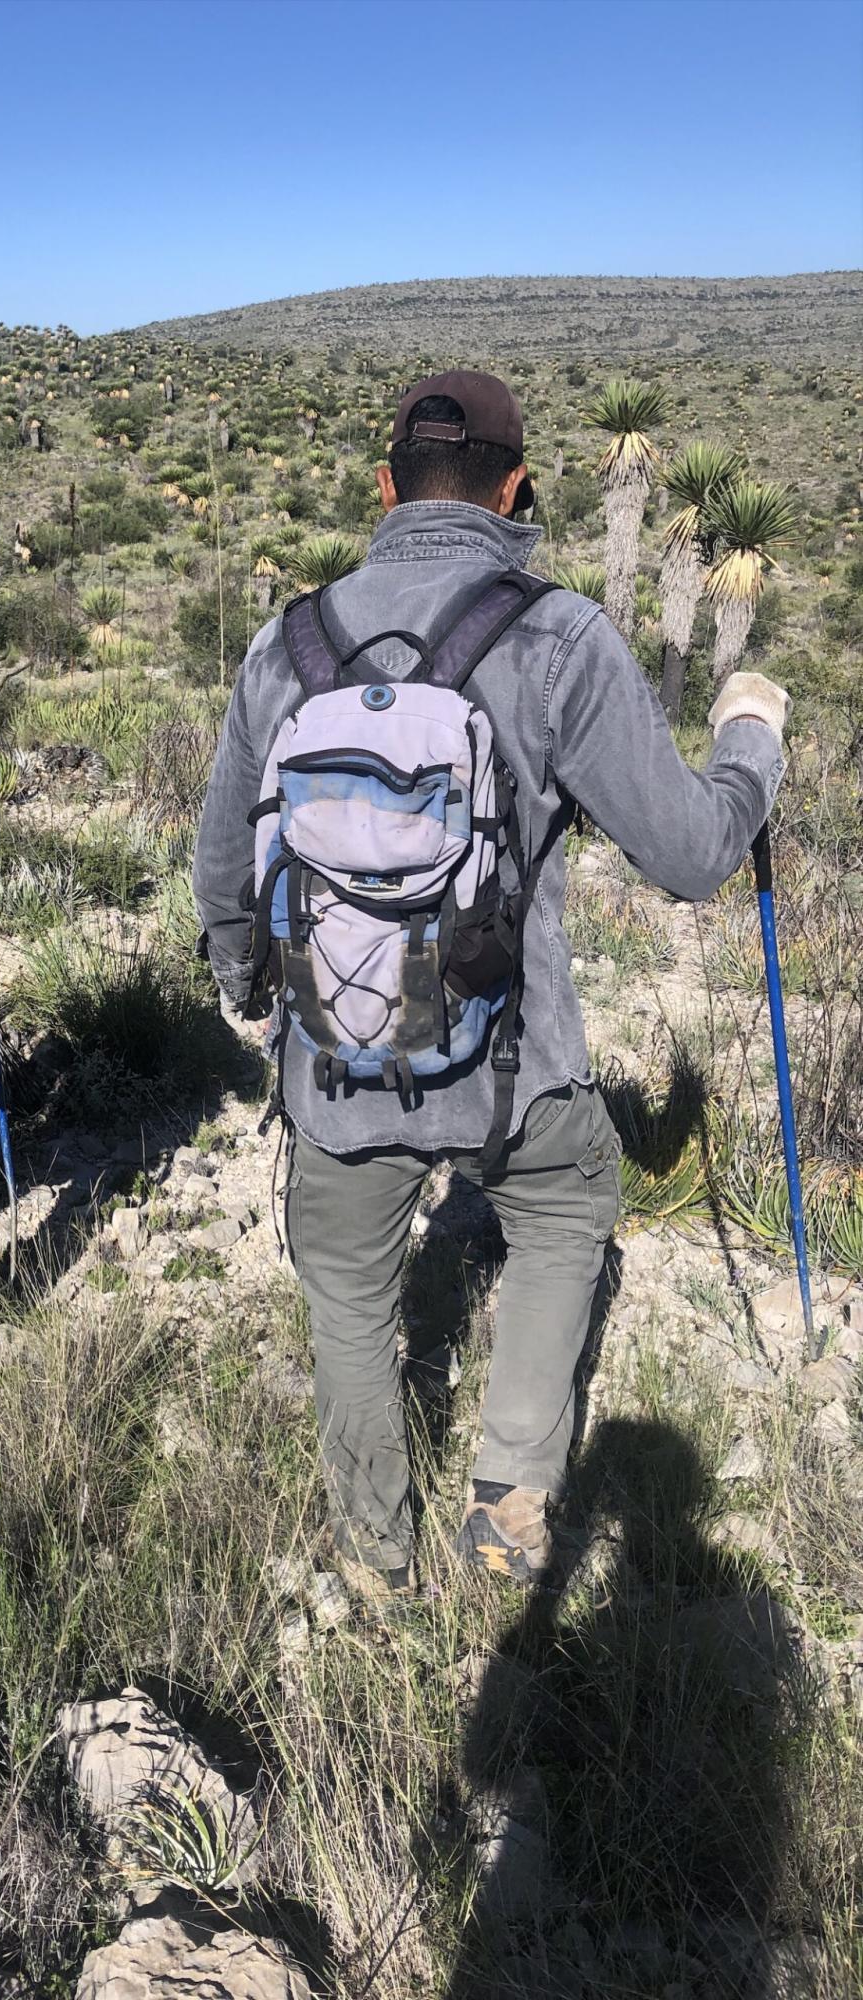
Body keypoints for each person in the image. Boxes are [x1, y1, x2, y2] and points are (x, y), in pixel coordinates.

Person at [193, 371, 789, 1598]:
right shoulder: (560, 634)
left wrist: (249, 985)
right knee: (568, 1212)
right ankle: (509, 1515)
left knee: (351, 1289)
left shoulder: (287, 641)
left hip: (334, 1050)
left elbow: (222, 857)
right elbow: (690, 853)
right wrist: (750, 740)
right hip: (512, 1058)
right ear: (517, 490)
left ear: (383, 486)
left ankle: (374, 1552)